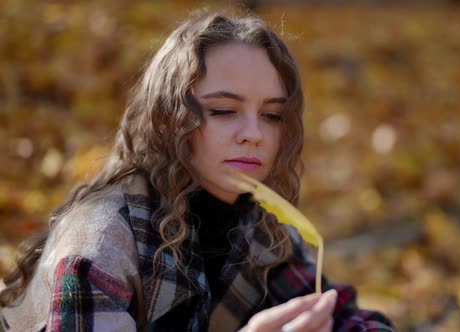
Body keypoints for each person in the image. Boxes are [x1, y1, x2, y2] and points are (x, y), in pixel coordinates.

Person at [0, 9, 395, 332]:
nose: (254, 134)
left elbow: (344, 315)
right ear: (169, 119)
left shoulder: (264, 231)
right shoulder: (100, 240)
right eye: (224, 110)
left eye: (273, 115)